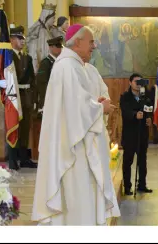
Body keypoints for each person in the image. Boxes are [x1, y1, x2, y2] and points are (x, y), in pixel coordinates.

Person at [32, 25, 120, 225]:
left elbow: (80, 102)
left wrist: (96, 104)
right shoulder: (67, 66)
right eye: (91, 42)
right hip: (73, 147)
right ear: (78, 42)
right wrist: (99, 108)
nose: (94, 46)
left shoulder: (76, 66)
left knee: (82, 194)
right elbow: (77, 107)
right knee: (77, 194)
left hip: (79, 140)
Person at [0, 24, 37, 169]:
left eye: (23, 38)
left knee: (26, 129)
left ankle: (24, 158)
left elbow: (32, 80)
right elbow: (0, 73)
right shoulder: (8, 56)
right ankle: (13, 160)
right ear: (11, 39)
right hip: (14, 96)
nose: (22, 41)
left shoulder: (27, 57)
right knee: (15, 127)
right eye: (19, 38)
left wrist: (33, 99)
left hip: (26, 97)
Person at [119, 73, 153, 195]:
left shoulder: (145, 96)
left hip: (142, 133)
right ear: (130, 83)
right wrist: (134, 115)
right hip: (130, 135)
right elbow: (125, 111)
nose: (138, 85)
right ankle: (127, 186)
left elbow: (149, 108)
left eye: (140, 82)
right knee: (128, 161)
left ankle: (142, 185)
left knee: (142, 161)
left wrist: (149, 118)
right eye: (135, 82)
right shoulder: (125, 97)